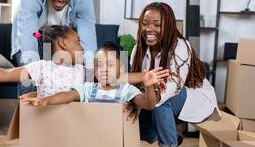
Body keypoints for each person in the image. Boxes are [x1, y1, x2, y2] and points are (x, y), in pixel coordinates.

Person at [129, 2, 220, 147]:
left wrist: (145, 97)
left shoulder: (180, 47)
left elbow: (171, 88)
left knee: (161, 102)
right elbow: (135, 81)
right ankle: (170, 141)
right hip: (158, 95)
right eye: (145, 23)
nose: (149, 29)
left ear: (168, 25)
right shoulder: (139, 48)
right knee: (143, 106)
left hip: (192, 96)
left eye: (157, 24)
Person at [21, 42, 169, 109]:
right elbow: (68, 95)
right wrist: (46, 100)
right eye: (99, 65)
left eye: (110, 65)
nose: (104, 69)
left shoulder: (126, 90)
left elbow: (148, 105)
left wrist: (149, 87)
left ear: (122, 69)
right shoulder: (88, 89)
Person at [11, 0, 97, 75]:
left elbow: (88, 39)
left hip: (54, 39)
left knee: (57, 78)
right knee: (30, 77)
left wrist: (91, 74)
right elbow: (28, 35)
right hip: (34, 34)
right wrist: (35, 72)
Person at [0, 25, 85, 96]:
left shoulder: (82, 70)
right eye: (77, 41)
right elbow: (5, 74)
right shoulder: (42, 67)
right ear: (63, 43)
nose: (82, 47)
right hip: (48, 121)